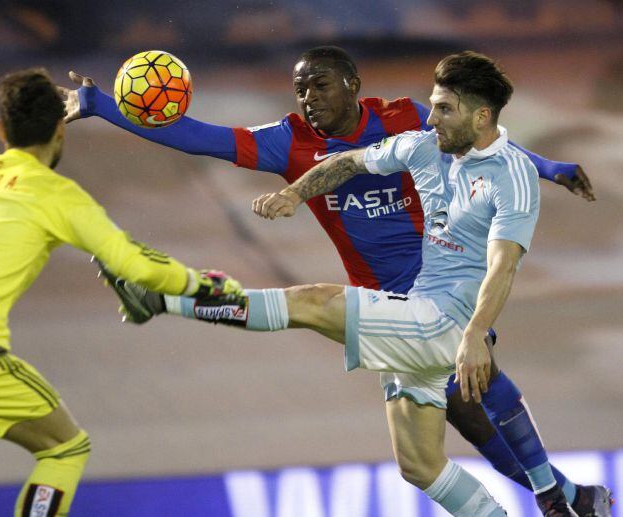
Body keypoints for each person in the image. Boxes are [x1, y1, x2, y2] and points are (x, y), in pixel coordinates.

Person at [61, 47, 610, 515]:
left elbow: (481, 138)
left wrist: (548, 167)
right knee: (423, 461)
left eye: (319, 85)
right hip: (386, 302)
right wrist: (102, 105)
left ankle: (163, 300)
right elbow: (198, 137)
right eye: (300, 89)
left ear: (352, 84)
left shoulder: (407, 118)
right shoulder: (288, 142)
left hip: (438, 299)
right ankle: (569, 497)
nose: (309, 98)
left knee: (454, 378)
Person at [0, 68, 240, 517]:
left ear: (1, 129)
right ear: (60, 129)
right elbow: (135, 265)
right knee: (64, 448)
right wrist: (201, 284)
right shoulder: (56, 194)